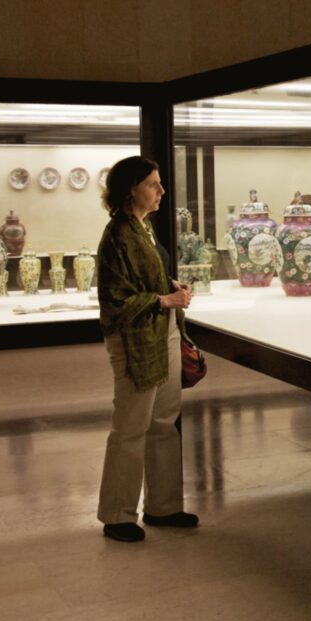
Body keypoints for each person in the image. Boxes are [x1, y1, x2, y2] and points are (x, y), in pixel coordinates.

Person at [96, 156, 197, 542]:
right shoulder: (118, 235)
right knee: (131, 426)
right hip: (136, 339)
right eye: (153, 184)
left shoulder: (144, 228)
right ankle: (118, 514)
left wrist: (174, 289)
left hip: (162, 332)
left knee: (163, 421)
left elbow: (151, 276)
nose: (161, 191)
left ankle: (164, 506)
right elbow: (115, 301)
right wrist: (164, 301)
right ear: (131, 189)